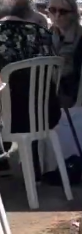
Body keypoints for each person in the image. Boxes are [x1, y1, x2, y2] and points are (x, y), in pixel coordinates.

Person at [0, 0, 58, 178]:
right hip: (47, 114)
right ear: (28, 11)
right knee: (27, 94)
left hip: (10, 119)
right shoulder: (43, 33)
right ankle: (33, 164)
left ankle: (2, 157)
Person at [49, 0, 82, 107]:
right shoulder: (51, 32)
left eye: (63, 12)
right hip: (51, 86)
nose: (57, 15)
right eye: (53, 10)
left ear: (73, 14)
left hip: (69, 92)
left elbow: (78, 75)